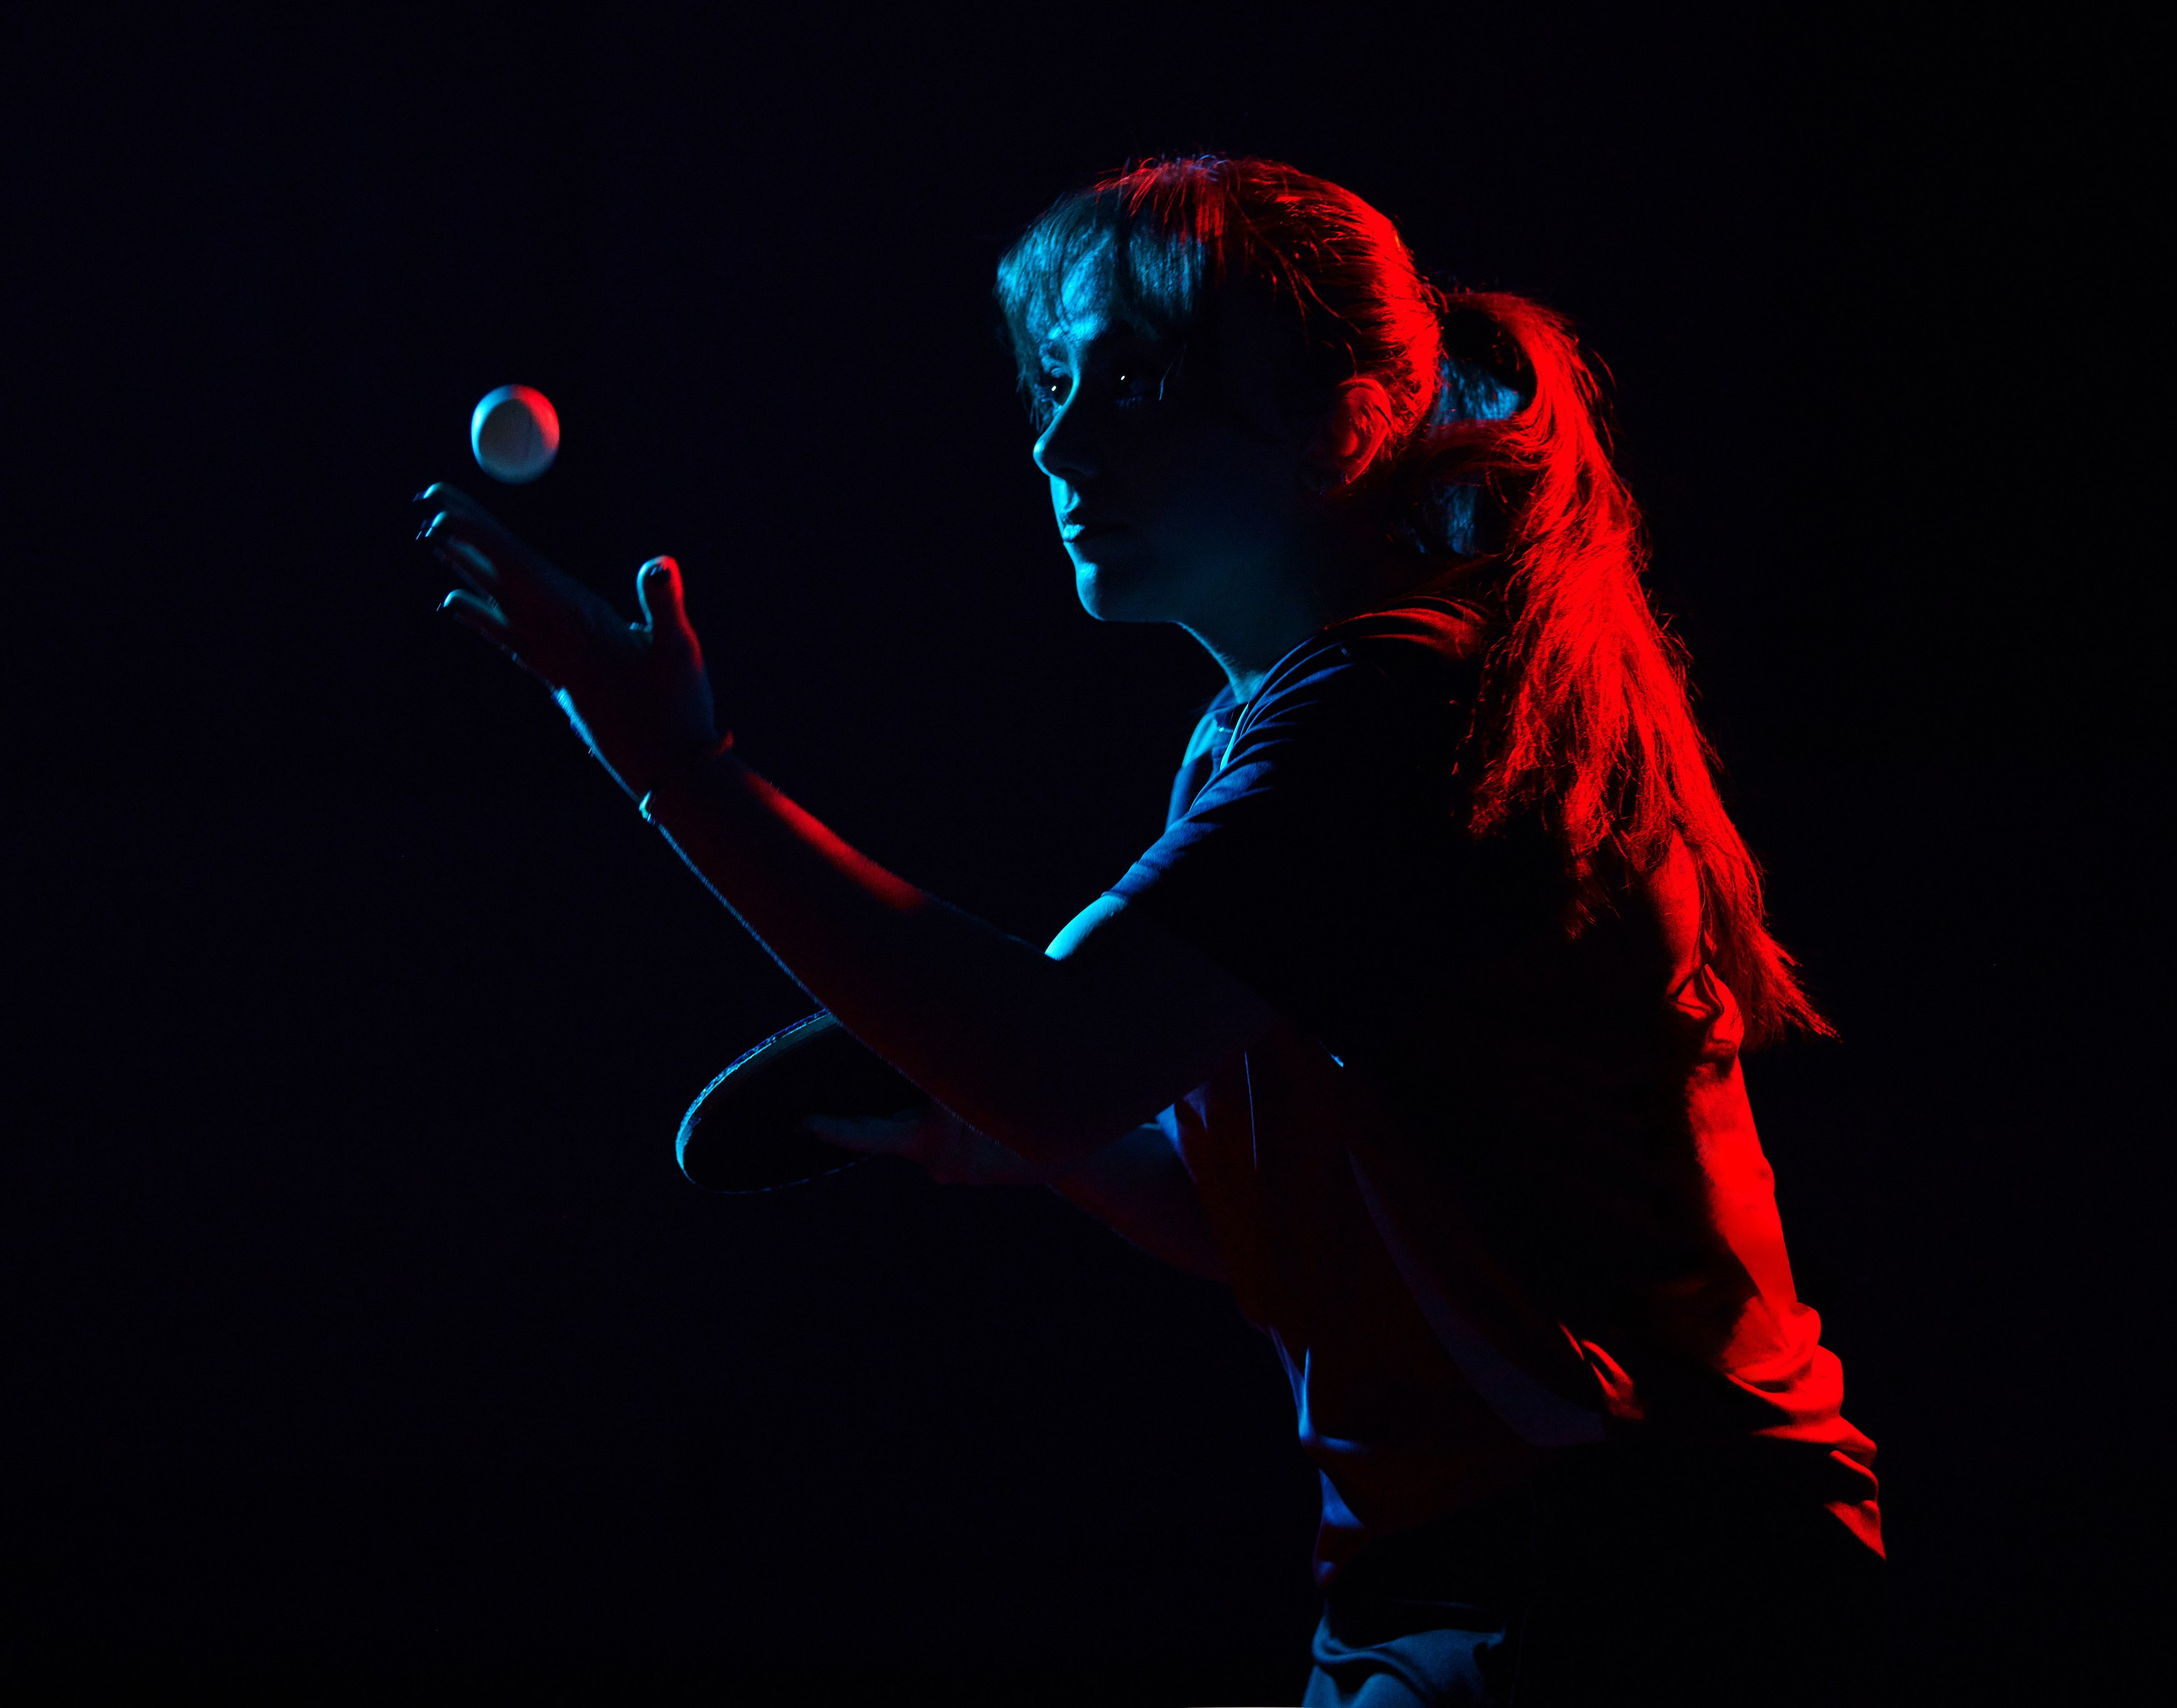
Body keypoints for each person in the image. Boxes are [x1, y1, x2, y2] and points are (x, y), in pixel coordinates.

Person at [420, 155, 1882, 1705]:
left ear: (1343, 422)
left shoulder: (1403, 711)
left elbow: (1059, 1057)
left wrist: (678, 771)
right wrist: (972, 1130)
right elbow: (1246, 1211)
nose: (1057, 440)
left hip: (1639, 1577)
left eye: (1137, 385)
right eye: (1059, 383)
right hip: (1463, 1576)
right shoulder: (1261, 729)